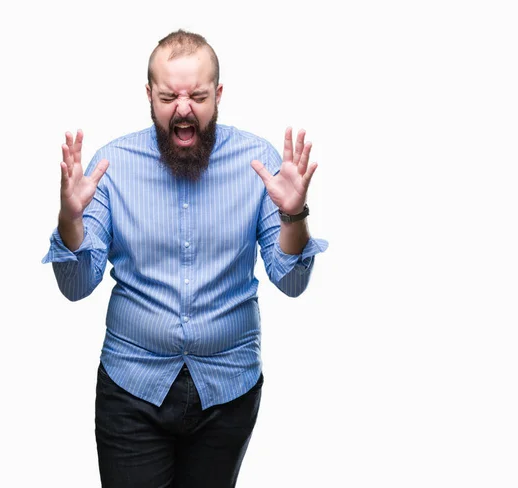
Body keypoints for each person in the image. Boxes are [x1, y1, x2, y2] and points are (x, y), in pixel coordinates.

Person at [42, 29, 327, 487]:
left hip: (228, 389)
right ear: (149, 96)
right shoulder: (110, 167)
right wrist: (69, 220)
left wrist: (293, 214)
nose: (183, 108)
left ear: (217, 95)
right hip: (131, 388)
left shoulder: (258, 161)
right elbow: (75, 286)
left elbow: (291, 281)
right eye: (168, 95)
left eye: (196, 95)